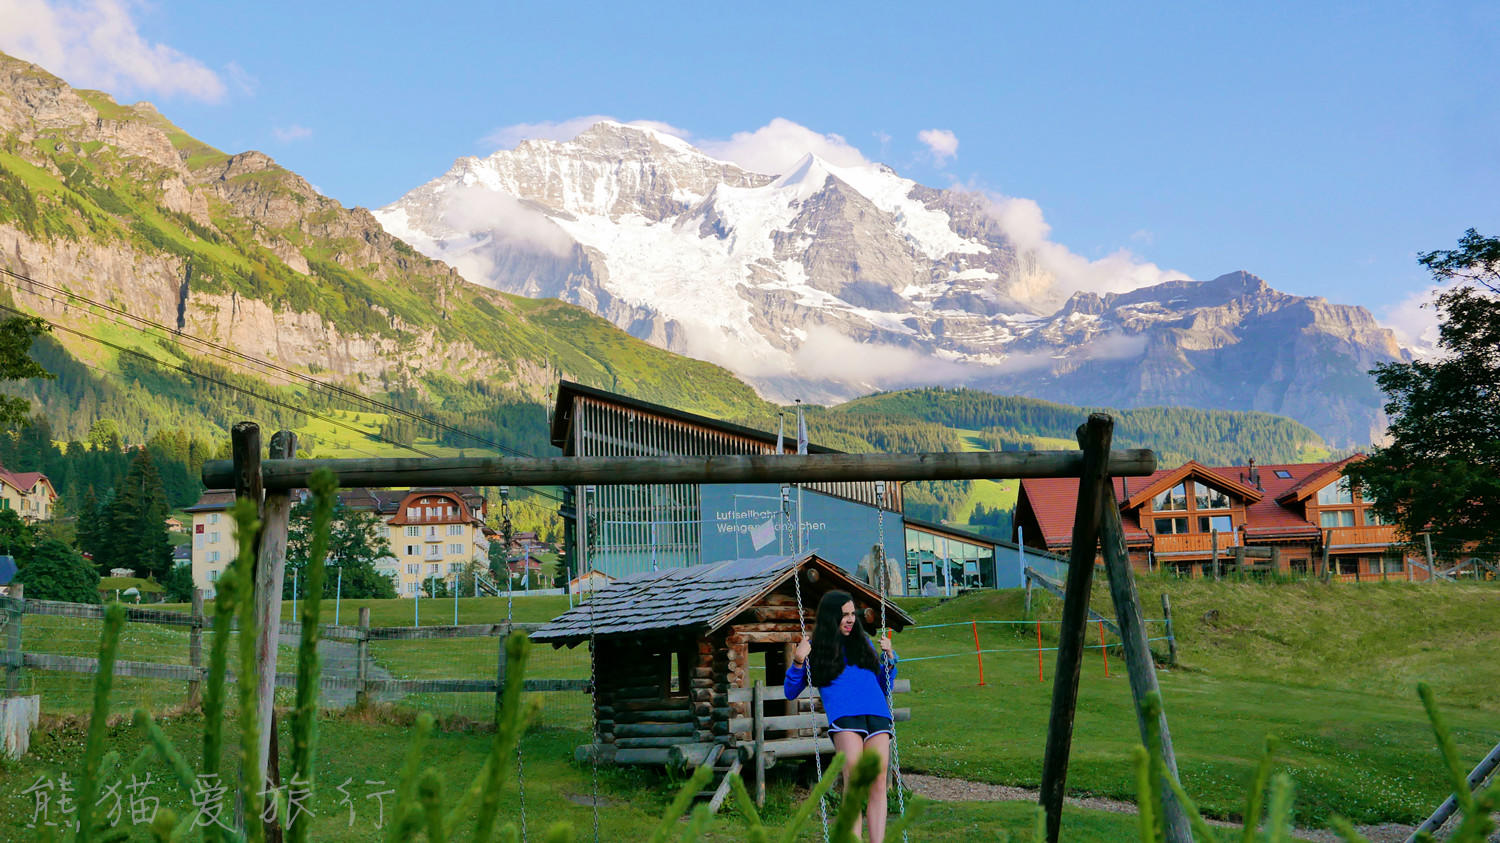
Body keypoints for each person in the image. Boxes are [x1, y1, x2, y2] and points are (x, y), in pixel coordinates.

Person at [786, 589, 898, 842]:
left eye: (852, 614)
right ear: (829, 617)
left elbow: (884, 686)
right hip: (845, 717)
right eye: (843, 615)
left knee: (879, 781)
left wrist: (890, 659)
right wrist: (797, 661)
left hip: (877, 714)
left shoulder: (864, 644)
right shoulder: (815, 649)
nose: (850, 619)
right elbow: (790, 691)